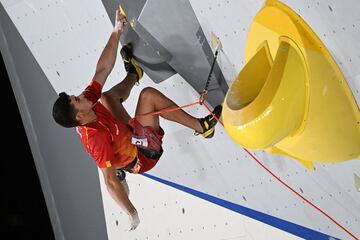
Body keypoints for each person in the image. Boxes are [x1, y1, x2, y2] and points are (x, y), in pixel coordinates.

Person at [52, 10, 222, 231]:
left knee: (106, 97)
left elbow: (102, 69)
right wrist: (131, 212)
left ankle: (134, 74)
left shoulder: (88, 103)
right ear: (79, 116)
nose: (81, 95)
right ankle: (202, 127)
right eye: (76, 99)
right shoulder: (95, 140)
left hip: (126, 134)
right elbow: (110, 181)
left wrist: (116, 31)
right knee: (148, 97)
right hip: (143, 155)